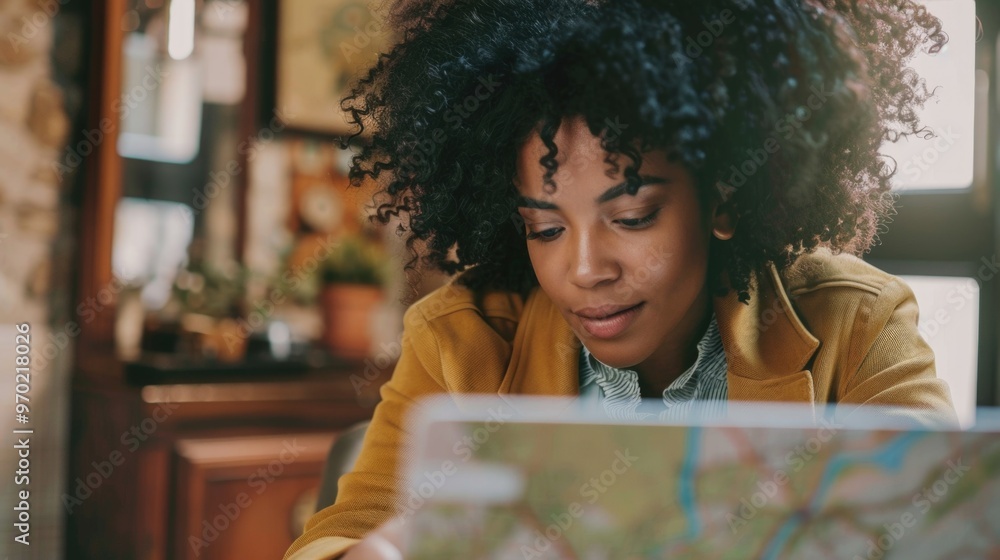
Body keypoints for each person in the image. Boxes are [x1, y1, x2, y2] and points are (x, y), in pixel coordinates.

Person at [284, 0, 958, 558]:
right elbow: (338, 536)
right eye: (545, 228)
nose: (583, 270)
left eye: (633, 217)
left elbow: (944, 530)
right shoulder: (461, 339)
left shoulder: (856, 323)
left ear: (721, 196)